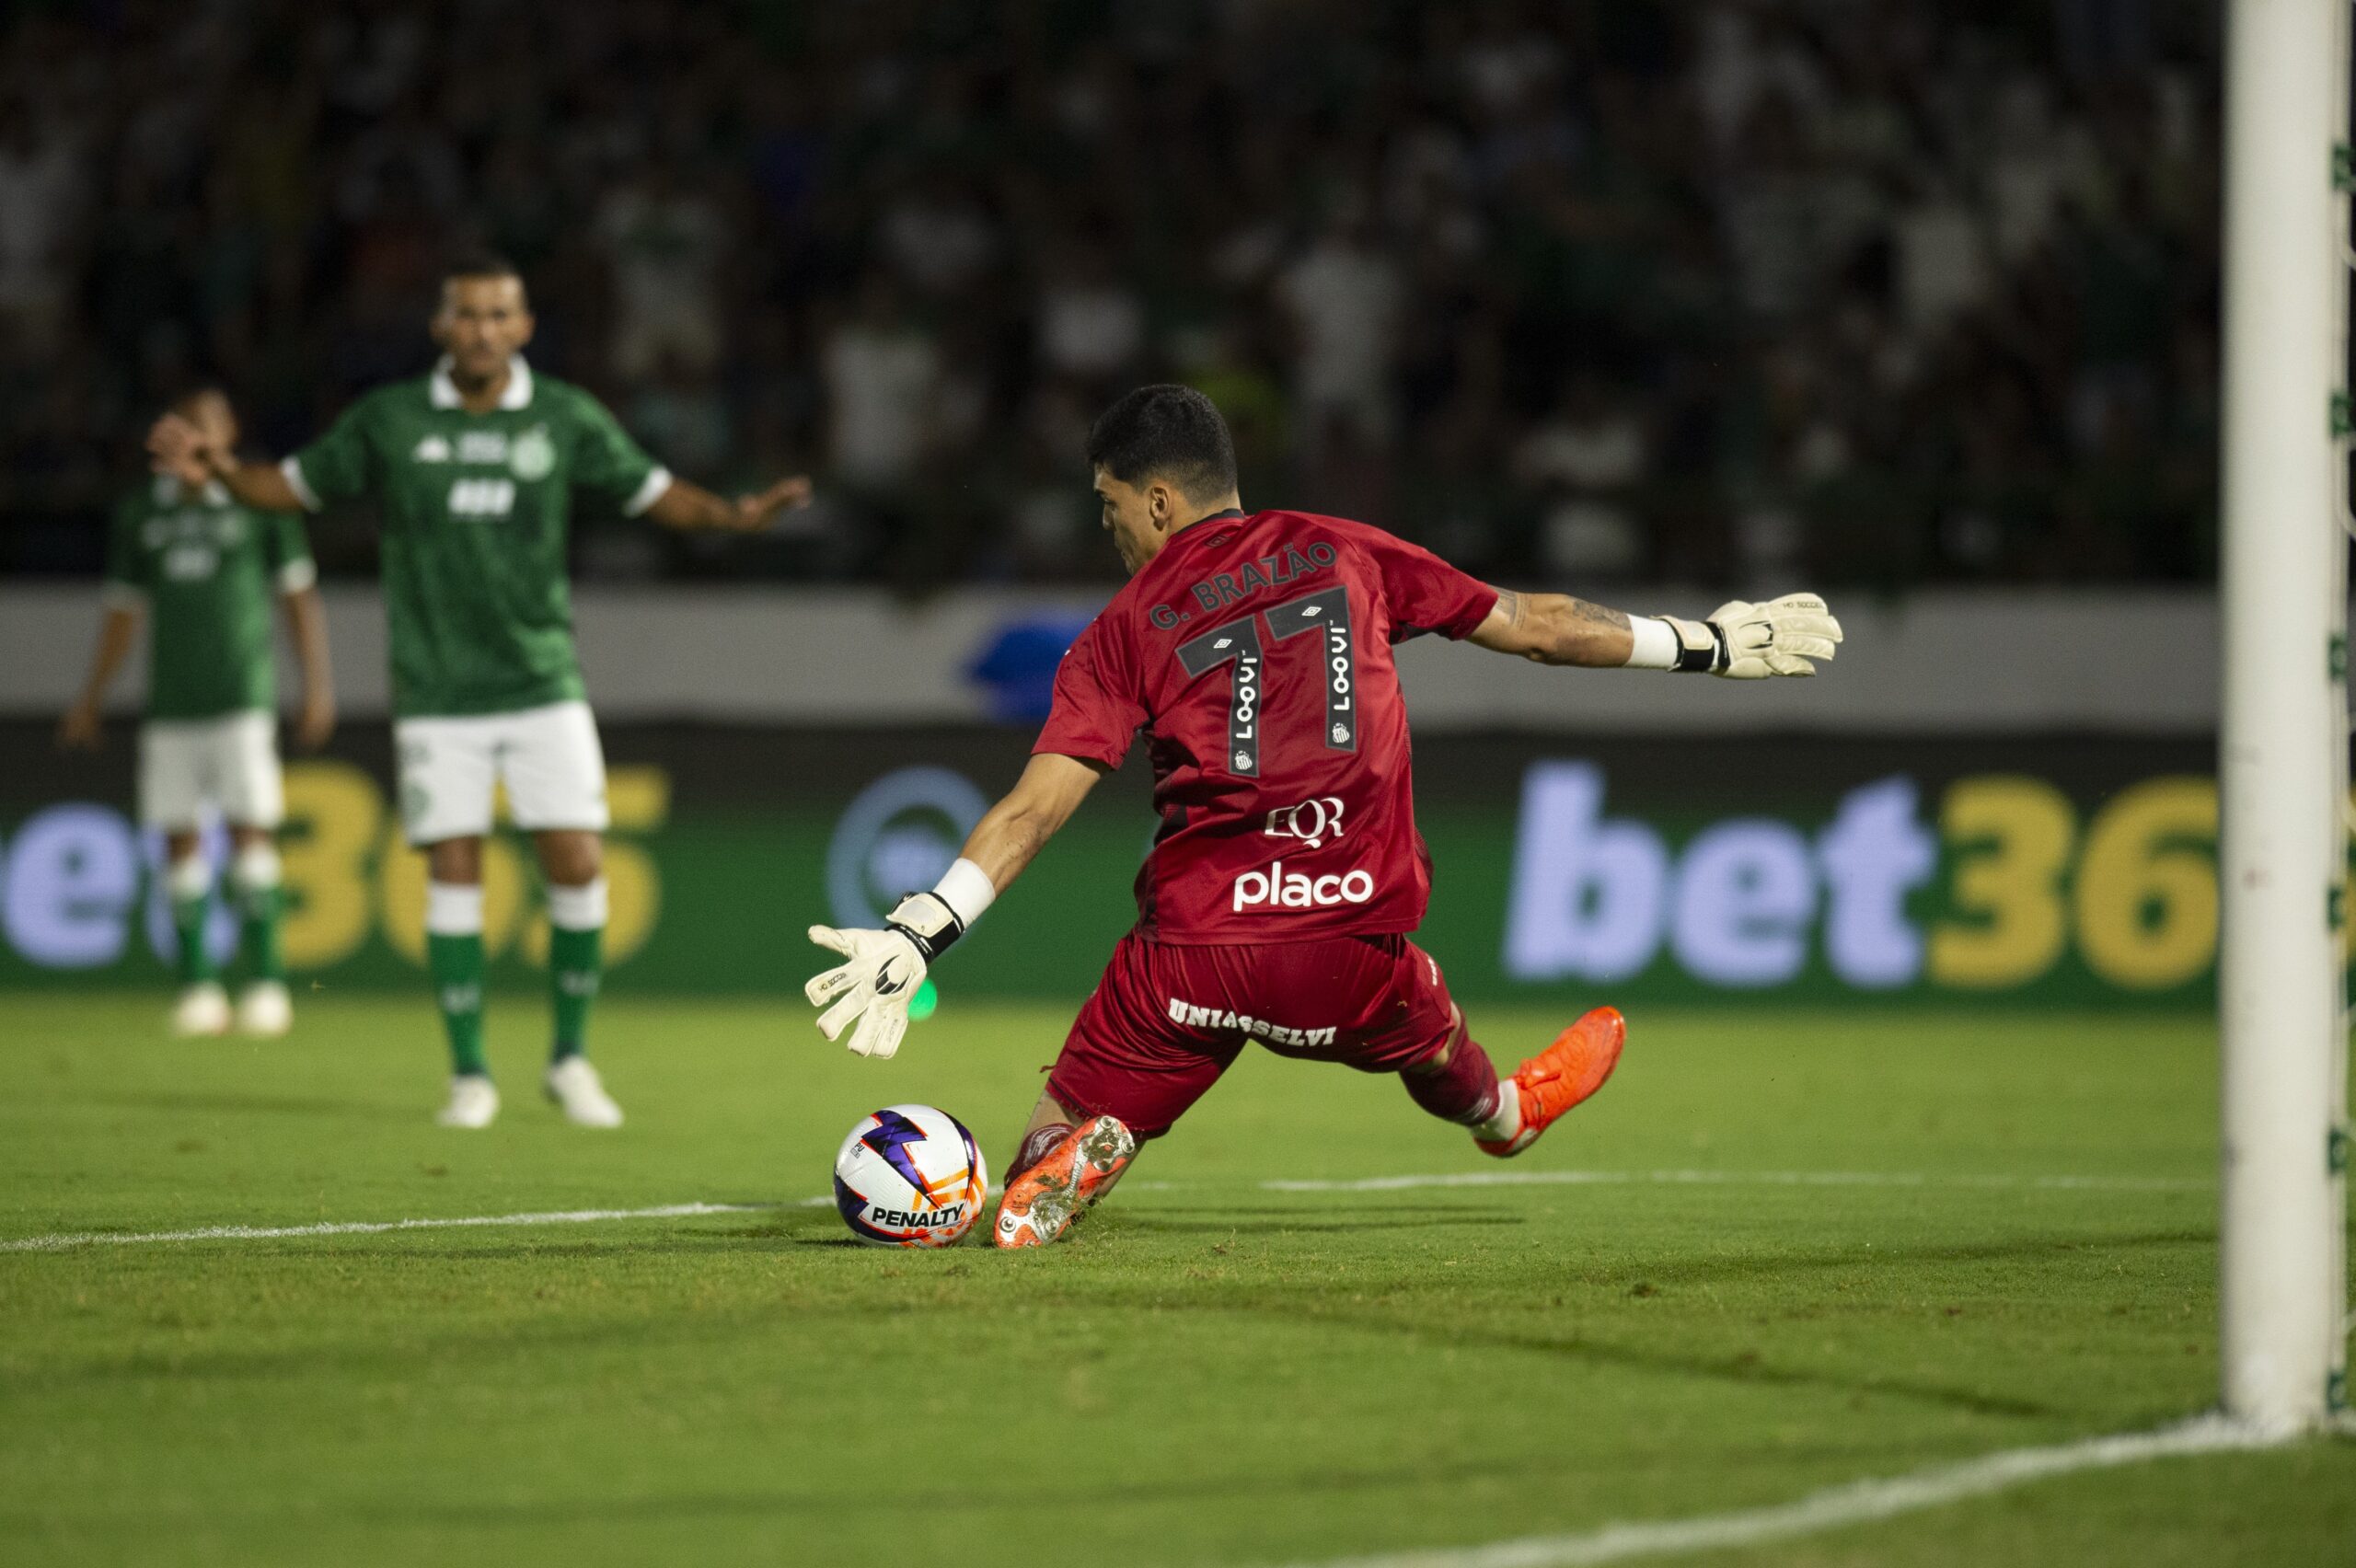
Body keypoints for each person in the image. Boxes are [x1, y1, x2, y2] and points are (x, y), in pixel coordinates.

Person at [804, 385, 1842, 1247]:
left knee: (1063, 1118)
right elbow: (1536, 626)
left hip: (1191, 961)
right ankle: (1507, 1116)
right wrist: (1706, 645)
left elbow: (1033, 813)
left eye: (1108, 503)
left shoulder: (1119, 633)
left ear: (1158, 500)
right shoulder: (1347, 551)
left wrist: (919, 932)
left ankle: (1053, 1171)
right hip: (1348, 949)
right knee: (1437, 1041)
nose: (1108, 525)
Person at [149, 253, 812, 1129]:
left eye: (500, 315)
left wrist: (733, 515)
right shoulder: (389, 419)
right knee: (454, 870)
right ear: (440, 327)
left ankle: (570, 1059)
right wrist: (226, 471)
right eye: (467, 315)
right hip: (437, 690)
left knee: (578, 862)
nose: (483, 330)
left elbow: (653, 493)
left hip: (541, 680)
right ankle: (469, 1073)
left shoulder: (563, 416)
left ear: (525, 327)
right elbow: (289, 489)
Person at [62, 388, 335, 1038]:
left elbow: (298, 599)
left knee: (250, 833)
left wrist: (317, 686)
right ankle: (199, 990)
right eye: (187, 426)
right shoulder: (141, 512)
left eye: (209, 426)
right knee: (178, 839)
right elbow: (122, 612)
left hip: (242, 697)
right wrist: (91, 696)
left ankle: (266, 987)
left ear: (229, 434)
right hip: (171, 704)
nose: (197, 437)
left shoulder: (260, 502)